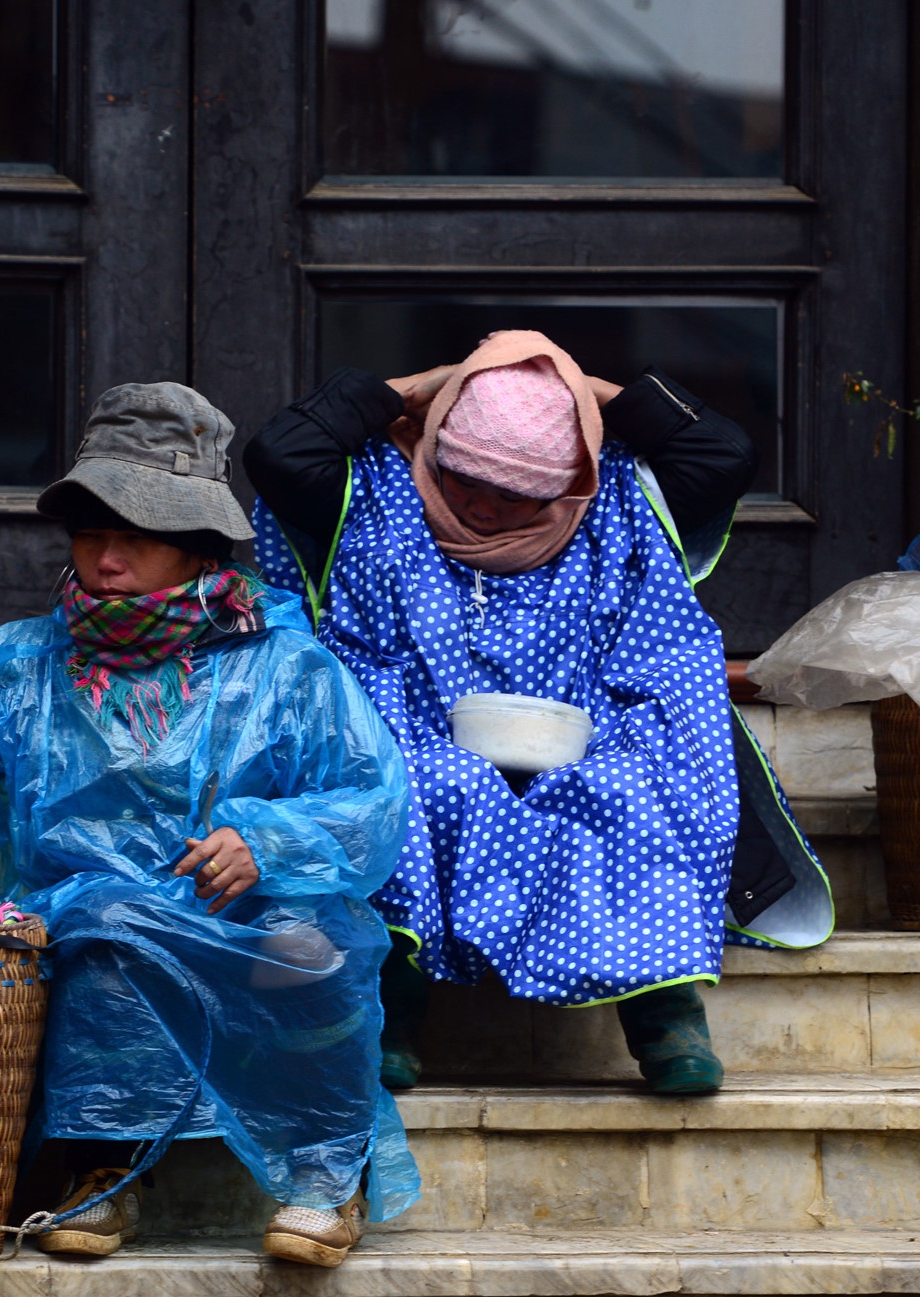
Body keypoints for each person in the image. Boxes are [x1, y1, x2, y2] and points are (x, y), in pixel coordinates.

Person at [0, 381, 420, 1269]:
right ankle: (102, 1171)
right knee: (106, 930)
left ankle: (322, 1172)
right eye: (91, 534)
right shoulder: (10, 665)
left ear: (194, 550)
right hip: (90, 915)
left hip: (244, 913)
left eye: (135, 536)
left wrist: (268, 842)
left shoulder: (290, 664)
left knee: (319, 944)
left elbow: (368, 796)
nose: (106, 558)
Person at [246, 331, 833, 1096]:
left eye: (516, 494)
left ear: (569, 482)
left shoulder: (614, 498)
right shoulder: (375, 493)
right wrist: (417, 387)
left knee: (634, 787)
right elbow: (279, 453)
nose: (484, 509)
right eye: (463, 482)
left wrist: (584, 390)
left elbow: (721, 455)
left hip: (590, 734)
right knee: (412, 785)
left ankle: (665, 1017)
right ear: (435, 448)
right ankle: (395, 1010)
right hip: (418, 733)